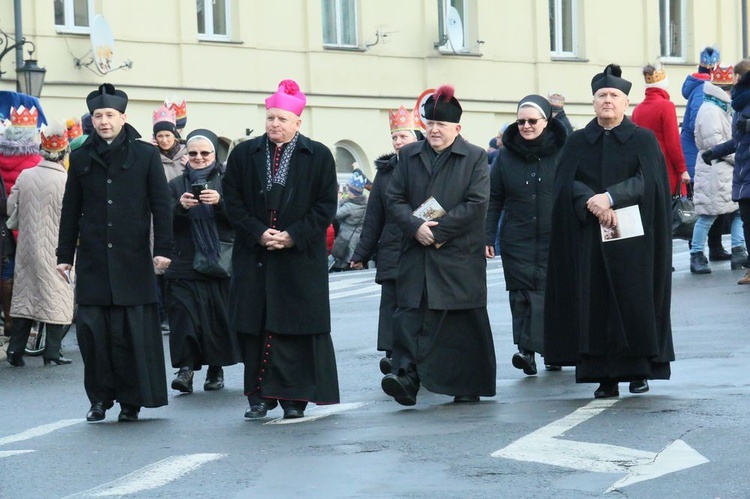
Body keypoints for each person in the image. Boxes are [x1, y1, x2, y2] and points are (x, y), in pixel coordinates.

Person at [544, 64, 675, 399]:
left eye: (614, 95)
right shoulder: (577, 142)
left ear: (625, 103)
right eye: (601, 95)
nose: (607, 101)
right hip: (589, 235)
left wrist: (612, 197)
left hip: (632, 235)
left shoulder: (643, 140)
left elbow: (652, 183)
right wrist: (590, 201)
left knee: (634, 299)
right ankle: (604, 376)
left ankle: (638, 370)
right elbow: (565, 185)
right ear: (592, 102)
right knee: (595, 303)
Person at [222, 79, 340, 420]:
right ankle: (258, 397)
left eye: (282, 119)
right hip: (255, 255)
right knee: (255, 327)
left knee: (296, 330)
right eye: (270, 117)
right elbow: (233, 201)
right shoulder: (245, 153)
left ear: (297, 123)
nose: (275, 124)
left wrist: (292, 235)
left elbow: (324, 206)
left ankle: (294, 398)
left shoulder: (318, 155)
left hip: (298, 257)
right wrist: (259, 233)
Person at [56, 83, 173, 422]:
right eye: (98, 115)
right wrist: (65, 255)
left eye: (109, 115)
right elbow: (70, 209)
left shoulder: (146, 155)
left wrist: (162, 248)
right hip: (93, 260)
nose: (104, 121)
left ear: (123, 117)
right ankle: (99, 399)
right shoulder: (78, 156)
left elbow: (161, 206)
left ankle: (132, 400)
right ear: (91, 120)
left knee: (131, 333)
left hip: (133, 259)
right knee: (93, 334)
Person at [383, 85, 496, 405]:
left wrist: (439, 232)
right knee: (410, 317)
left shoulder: (474, 157)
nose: (434, 130)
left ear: (457, 128)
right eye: (430, 124)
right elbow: (394, 198)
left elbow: (476, 204)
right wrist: (416, 227)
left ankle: (466, 384)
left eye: (441, 125)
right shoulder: (408, 155)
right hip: (416, 252)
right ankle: (406, 378)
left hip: (458, 255)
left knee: (459, 325)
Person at [485, 94, 567, 376]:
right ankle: (526, 351)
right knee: (520, 296)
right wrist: (487, 237)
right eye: (521, 122)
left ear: (546, 121)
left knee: (549, 295)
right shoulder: (505, 156)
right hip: (516, 238)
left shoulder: (562, 151)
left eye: (533, 121)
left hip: (554, 236)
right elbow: (494, 198)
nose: (526, 126)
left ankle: (554, 351)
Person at [350, 105, 423, 374]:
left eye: (403, 136)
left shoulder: (429, 167)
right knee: (391, 304)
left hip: (420, 244)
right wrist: (361, 253)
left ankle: (415, 356)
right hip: (391, 249)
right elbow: (374, 217)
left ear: (417, 137)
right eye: (394, 137)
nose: (397, 142)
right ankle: (393, 355)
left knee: (416, 304)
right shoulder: (385, 173)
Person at [165, 129, 240, 393]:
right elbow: (164, 223)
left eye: (204, 153)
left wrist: (220, 203)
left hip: (218, 262)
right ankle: (185, 370)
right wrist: (181, 209)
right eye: (193, 153)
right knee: (184, 318)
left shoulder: (228, 183)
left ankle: (215, 369)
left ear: (214, 155)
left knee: (215, 320)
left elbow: (241, 220)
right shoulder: (175, 186)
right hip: (184, 262)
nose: (198, 158)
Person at [5, 121, 75, 366]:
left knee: (26, 296)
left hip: (27, 246)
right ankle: (52, 352)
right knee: (58, 294)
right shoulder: (67, 181)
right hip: (58, 247)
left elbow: (10, 207)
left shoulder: (26, 175)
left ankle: (15, 350)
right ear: (64, 153)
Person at [689, 65, 747, 274]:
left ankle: (738, 249)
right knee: (708, 215)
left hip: (722, 171)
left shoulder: (717, 107)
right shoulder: (711, 111)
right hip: (715, 170)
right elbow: (716, 143)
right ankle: (696, 254)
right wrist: (738, 156)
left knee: (738, 211)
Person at [681, 46, 732, 261]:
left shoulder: (700, 88)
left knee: (715, 202)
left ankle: (714, 246)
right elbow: (698, 127)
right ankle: (700, 249)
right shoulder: (704, 91)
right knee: (707, 205)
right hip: (702, 154)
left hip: (702, 152)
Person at [704, 59, 750, 284]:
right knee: (747, 223)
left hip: (745, 173)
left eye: (735, 78)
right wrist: (714, 151)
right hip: (743, 173)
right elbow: (738, 141)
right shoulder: (739, 107)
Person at [0, 106, 42, 339]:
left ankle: (8, 319)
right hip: (26, 222)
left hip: (2, 224)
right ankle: (29, 323)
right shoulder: (35, 160)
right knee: (28, 273)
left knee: (6, 272)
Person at [631, 64, 691, 195]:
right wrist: (682, 170)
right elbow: (673, 142)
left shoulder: (637, 110)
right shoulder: (666, 106)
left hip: (644, 171)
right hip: (666, 169)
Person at [329, 170, 368, 271]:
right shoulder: (365, 204)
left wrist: (339, 201)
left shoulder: (349, 206)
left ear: (354, 193)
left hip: (346, 238)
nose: (347, 192)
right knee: (353, 259)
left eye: (349, 190)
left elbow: (335, 214)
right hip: (358, 237)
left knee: (345, 261)